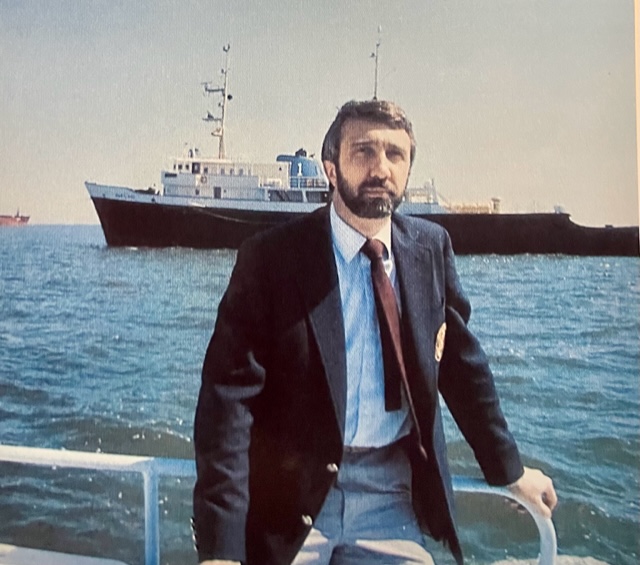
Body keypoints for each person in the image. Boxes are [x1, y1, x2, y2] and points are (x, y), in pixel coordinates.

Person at [192, 99, 557, 565]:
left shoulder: (430, 249)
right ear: (330, 167)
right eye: (363, 151)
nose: (380, 168)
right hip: (291, 494)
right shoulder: (271, 259)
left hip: (392, 493)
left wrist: (508, 470)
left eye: (395, 155)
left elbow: (463, 369)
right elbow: (227, 402)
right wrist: (220, 548)